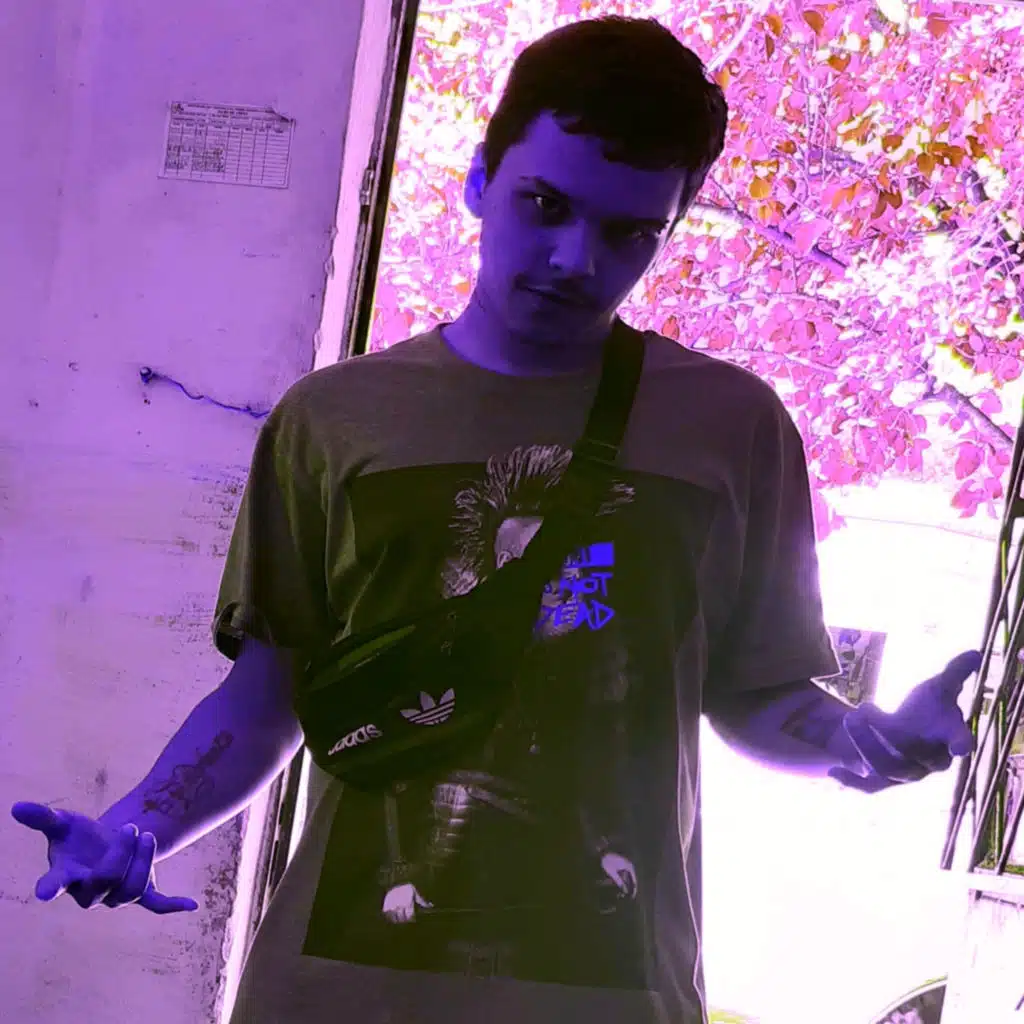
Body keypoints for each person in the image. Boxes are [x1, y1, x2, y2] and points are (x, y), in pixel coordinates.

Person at [12, 15, 981, 1024]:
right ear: (480, 180)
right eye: (545, 205)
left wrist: (858, 740)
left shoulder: (731, 427)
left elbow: (755, 691)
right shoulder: (333, 421)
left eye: (628, 233)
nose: (573, 258)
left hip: (610, 994)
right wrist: (138, 825)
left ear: (670, 229)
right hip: (338, 994)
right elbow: (267, 700)